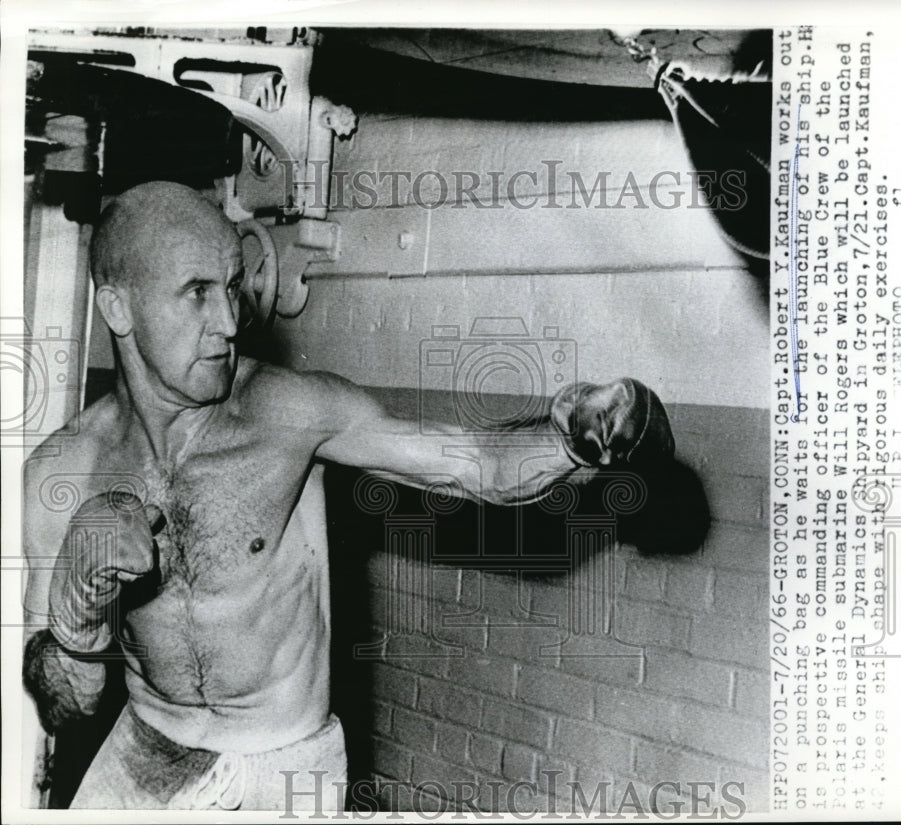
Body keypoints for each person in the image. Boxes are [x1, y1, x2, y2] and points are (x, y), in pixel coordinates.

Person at [21, 181, 675, 811]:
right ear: (117, 307)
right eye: (196, 292)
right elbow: (64, 707)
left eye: (230, 286)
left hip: (285, 763)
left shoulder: (288, 410)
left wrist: (577, 438)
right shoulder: (65, 470)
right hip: (148, 749)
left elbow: (475, 464)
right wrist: (77, 614)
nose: (228, 320)